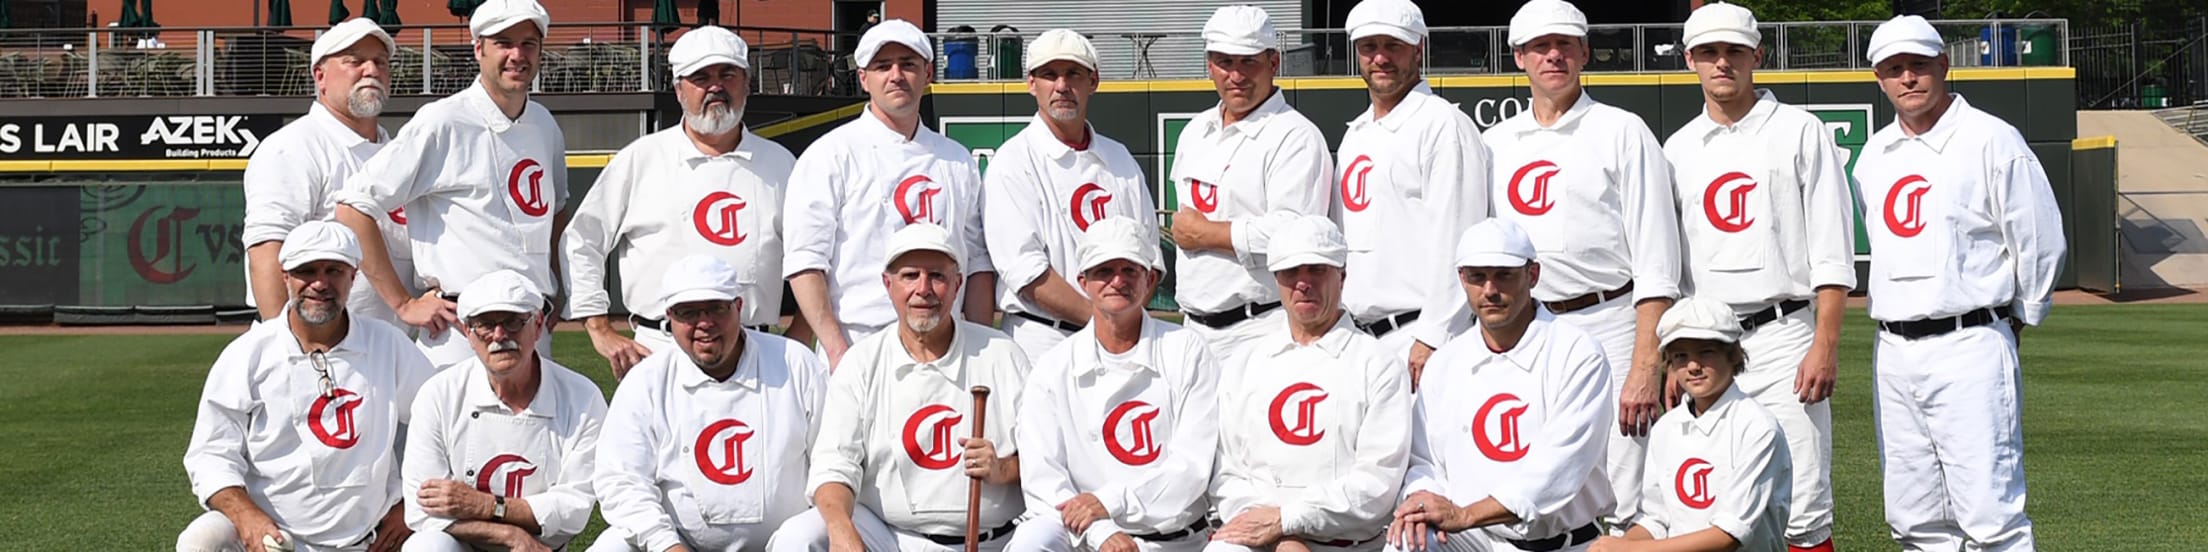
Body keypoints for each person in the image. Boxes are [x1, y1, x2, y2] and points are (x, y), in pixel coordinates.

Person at [1851, 16, 2065, 551]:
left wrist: (2018, 317)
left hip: (1970, 342)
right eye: (1893, 69)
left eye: (1918, 66)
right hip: (1894, 349)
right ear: (1878, 79)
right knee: (1914, 516)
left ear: (1943, 65)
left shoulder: (1991, 138)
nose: (1907, 79)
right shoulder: (1874, 155)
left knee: (1991, 516)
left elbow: (2039, 238)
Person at [1658, 5, 1852, 550]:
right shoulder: (1677, 149)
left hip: (1784, 333)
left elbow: (1833, 254)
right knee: (1708, 505)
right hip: (1705, 345)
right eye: (1709, 53)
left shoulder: (1800, 131)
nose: (1723, 64)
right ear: (1691, 60)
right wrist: (1677, 352)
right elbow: (1673, 269)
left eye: (1735, 52)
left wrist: (1825, 345)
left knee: (1804, 504)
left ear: (1757, 57)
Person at [1484, 0, 1681, 531]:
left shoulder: (1622, 130)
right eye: (1540, 47)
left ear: (1584, 53)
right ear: (1519, 57)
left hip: (1609, 320)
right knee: (1532, 481)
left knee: (1621, 485)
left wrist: (1646, 362)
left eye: (1565, 45)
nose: (1554, 56)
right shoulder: (1495, 144)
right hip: (1527, 331)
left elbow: (1657, 257)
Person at [767, 223, 1029, 551]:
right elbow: (834, 464)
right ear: (887, 284)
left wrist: (1003, 468)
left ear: (958, 284)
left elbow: (1047, 455)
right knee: (799, 538)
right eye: (909, 276)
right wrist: (840, 528)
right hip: (888, 536)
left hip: (992, 540)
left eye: (937, 276)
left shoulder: (1003, 355)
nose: (924, 289)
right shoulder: (862, 362)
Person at [334, 0, 567, 368]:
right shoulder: (443, 120)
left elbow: (555, 213)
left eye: (529, 43)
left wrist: (558, 287)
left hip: (532, 325)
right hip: (462, 330)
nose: (517, 54)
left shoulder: (544, 124)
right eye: (504, 42)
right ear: (479, 49)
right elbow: (353, 207)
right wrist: (404, 303)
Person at [563, 25, 804, 379]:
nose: (715, 87)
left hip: (758, 352)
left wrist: (800, 335)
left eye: (728, 74)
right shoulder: (642, 158)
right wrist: (598, 328)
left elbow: (816, 258)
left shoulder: (781, 165)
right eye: (700, 77)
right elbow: (582, 240)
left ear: (747, 84)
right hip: (659, 352)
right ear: (678, 90)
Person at [179, 221, 435, 552]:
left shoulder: (388, 344)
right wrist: (246, 517)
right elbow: (209, 453)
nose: (320, 283)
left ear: (353, 277)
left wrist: (408, 505)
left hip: (371, 538)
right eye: (307, 271)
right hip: (271, 539)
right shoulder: (249, 353)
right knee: (201, 540)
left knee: (434, 546)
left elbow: (438, 426)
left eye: (334, 271)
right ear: (285, 276)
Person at [1384, 219, 1611, 552]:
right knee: (1408, 542)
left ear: (1532, 275)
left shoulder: (1577, 353)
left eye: (1503, 275)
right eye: (1477, 277)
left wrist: (1465, 514)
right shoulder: (1445, 363)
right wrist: (1421, 500)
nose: (1489, 290)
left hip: (1566, 545)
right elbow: (1424, 462)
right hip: (1474, 541)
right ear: (1462, 278)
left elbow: (1556, 472)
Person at [783, 19, 995, 369]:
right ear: (864, 78)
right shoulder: (831, 154)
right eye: (883, 66)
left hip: (947, 345)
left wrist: (979, 344)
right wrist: (837, 351)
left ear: (928, 73)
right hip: (860, 343)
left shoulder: (957, 158)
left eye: (908, 64)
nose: (896, 75)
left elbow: (976, 263)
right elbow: (805, 262)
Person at [1008, 217, 1219, 552]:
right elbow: (1042, 477)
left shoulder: (1187, 350)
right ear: (1084, 282)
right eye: (1104, 271)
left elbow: (1192, 467)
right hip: (1086, 537)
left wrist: (1111, 502)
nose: (1117, 281)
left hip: (1174, 543)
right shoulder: (1053, 367)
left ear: (1150, 279)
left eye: (1129, 270)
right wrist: (1100, 530)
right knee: (1032, 540)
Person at [593, 255, 831, 552]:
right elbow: (621, 480)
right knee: (611, 546)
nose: (704, 323)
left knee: (804, 535)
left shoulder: (795, 364)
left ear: (739, 308)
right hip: (679, 544)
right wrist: (667, 546)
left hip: (786, 542)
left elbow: (832, 460)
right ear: (670, 317)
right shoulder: (646, 380)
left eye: (717, 308)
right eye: (687, 313)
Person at [1209, 216, 1410, 552]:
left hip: (1350, 544)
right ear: (1276, 280)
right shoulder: (1245, 363)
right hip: (1259, 538)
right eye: (1291, 273)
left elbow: (1377, 484)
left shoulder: (1378, 364)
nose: (1303, 283)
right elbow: (1226, 472)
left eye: (1316, 270)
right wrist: (1278, 534)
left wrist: (1290, 520)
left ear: (1342, 277)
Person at [1330, 0, 1488, 384]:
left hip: (1417, 337)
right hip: (1357, 338)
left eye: (1393, 46)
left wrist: (1436, 335)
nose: (1380, 57)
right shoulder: (1356, 134)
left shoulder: (1443, 124)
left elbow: (1458, 238)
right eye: (1369, 47)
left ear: (1418, 48)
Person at [1168, 5, 1336, 364]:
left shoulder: (1295, 136)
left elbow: (1294, 234)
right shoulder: (1195, 131)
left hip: (1260, 326)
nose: (1236, 75)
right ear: (1209, 65)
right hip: (1192, 329)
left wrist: (1207, 234)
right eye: (1225, 62)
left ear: (1273, 63)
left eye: (1248, 62)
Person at [983, 29, 1158, 360]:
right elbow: (1025, 271)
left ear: (1093, 81)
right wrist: (1107, 322)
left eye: (1073, 74)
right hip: (1042, 339)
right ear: (1031, 83)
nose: (1062, 86)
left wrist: (1119, 325)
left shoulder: (1119, 158)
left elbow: (1149, 257)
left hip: (1121, 340)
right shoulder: (1013, 161)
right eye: (1050, 75)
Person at [402, 270, 606, 552]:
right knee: (426, 546)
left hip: (541, 549)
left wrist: (484, 504)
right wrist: (510, 535)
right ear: (467, 333)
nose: (499, 335)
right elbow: (421, 511)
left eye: (513, 322)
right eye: (485, 325)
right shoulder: (438, 394)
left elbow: (575, 506)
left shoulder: (583, 397)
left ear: (538, 325)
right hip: (464, 545)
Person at [242, 18, 414, 329]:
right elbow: (267, 252)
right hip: (321, 344)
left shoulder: (398, 151)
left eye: (380, 62)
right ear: (320, 76)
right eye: (355, 61)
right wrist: (286, 347)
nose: (372, 71)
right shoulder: (293, 146)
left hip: (389, 348)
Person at [1588, 297, 1791, 552]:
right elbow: (1655, 520)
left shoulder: (1757, 427)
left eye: (1706, 352)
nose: (1693, 366)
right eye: (1681, 356)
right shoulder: (1666, 427)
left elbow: (1729, 536)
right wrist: (1617, 544)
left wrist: (1628, 550)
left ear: (1732, 354)